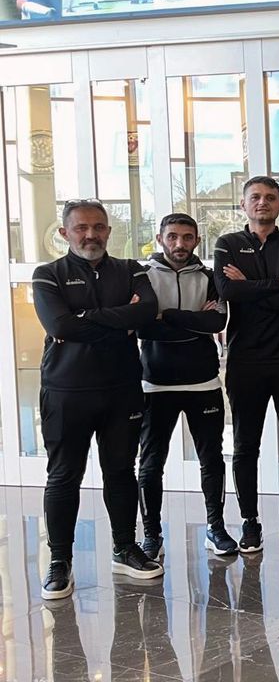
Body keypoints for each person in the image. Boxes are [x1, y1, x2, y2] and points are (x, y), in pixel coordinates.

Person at [32, 199, 162, 600]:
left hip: (121, 389)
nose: (91, 235)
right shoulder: (47, 275)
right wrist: (120, 318)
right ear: (65, 233)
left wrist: (84, 319)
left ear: (108, 230)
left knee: (121, 471)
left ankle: (125, 548)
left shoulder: (131, 270)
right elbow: (59, 325)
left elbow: (148, 312)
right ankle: (60, 560)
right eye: (81, 228)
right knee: (63, 476)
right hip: (66, 391)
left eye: (99, 227)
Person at [213, 175, 279, 551]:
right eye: (255, 197)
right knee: (246, 444)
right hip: (246, 359)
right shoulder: (228, 243)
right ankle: (249, 521)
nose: (263, 202)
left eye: (270, 197)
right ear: (244, 204)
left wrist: (253, 286)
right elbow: (228, 291)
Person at [136, 213, 237, 561]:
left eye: (187, 237)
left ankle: (216, 528)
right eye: (173, 236)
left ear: (197, 240)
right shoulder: (143, 277)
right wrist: (196, 320)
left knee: (211, 459)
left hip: (203, 382)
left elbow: (218, 320)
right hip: (155, 384)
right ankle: (152, 536)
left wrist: (168, 315)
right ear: (160, 238)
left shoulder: (208, 277)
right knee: (151, 462)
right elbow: (142, 327)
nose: (180, 244)